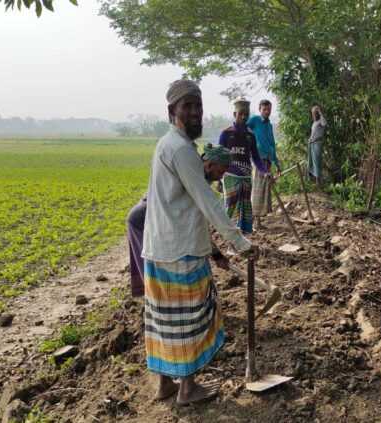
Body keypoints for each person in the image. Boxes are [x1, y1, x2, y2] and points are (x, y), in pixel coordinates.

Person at [143, 80, 259, 405]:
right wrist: (241, 243)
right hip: (180, 252)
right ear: (172, 111)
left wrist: (217, 250)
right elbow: (208, 201)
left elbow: (185, 206)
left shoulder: (167, 145)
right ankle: (187, 388)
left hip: (160, 249)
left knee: (165, 322)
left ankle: (165, 384)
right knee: (192, 320)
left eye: (198, 105)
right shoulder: (181, 150)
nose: (195, 112)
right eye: (187, 106)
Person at [126, 144, 232, 298]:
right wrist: (218, 257)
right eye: (220, 172)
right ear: (208, 165)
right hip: (142, 221)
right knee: (154, 270)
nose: (221, 177)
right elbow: (200, 231)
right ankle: (155, 306)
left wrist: (216, 256)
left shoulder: (196, 175)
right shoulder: (192, 180)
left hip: (162, 220)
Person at [218, 99, 270, 252]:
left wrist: (265, 172)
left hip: (246, 177)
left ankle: (240, 242)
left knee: (244, 211)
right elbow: (219, 157)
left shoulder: (250, 136)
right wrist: (218, 179)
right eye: (240, 114)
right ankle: (230, 244)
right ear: (235, 114)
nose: (243, 117)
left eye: (246, 114)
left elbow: (255, 158)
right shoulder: (226, 134)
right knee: (230, 209)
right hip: (230, 176)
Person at [247, 99, 281, 230]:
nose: (267, 112)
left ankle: (258, 221)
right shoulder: (254, 120)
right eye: (264, 109)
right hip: (257, 159)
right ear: (260, 109)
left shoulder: (269, 125)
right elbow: (244, 128)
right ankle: (254, 222)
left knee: (264, 189)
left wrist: (276, 162)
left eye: (269, 110)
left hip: (267, 159)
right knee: (257, 189)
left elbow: (272, 144)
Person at [307, 105, 327, 186]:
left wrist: (320, 113)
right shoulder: (315, 122)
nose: (314, 115)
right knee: (311, 161)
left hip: (317, 143)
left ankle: (318, 181)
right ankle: (313, 179)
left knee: (317, 161)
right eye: (313, 113)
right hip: (312, 143)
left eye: (316, 113)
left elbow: (324, 123)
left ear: (319, 113)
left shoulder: (321, 121)